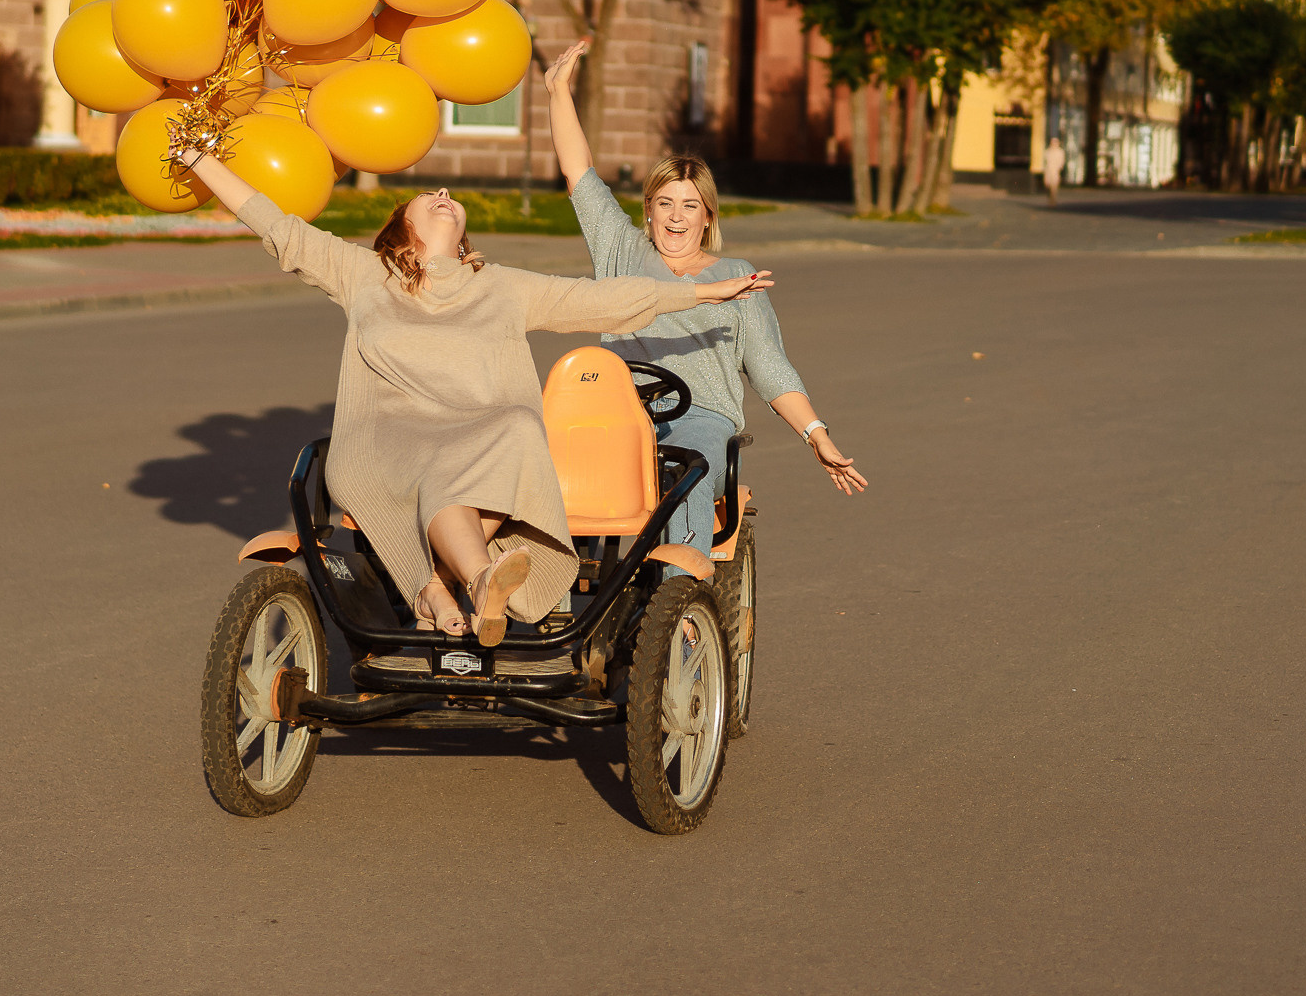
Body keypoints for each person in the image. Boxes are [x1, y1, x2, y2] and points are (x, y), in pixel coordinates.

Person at [180, 144, 771, 647]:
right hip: (387, 442)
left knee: (518, 424)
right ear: (402, 231)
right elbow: (275, 224)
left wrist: (701, 295)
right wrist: (200, 159)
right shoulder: (362, 275)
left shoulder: (500, 287)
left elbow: (601, 301)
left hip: (477, 443)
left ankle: (456, 587)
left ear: (465, 238)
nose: (441, 192)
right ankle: (463, 581)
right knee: (451, 465)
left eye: (450, 199)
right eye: (425, 197)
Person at [541, 40, 867, 563]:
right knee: (543, 460)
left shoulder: (738, 277)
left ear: (707, 216)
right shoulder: (620, 248)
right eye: (665, 203)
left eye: (689, 206)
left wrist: (816, 436)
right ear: (648, 211)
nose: (676, 217)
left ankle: (681, 607)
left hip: (700, 417)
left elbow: (768, 366)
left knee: (686, 467)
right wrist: (557, 90)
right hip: (617, 411)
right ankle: (547, 592)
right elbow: (578, 171)